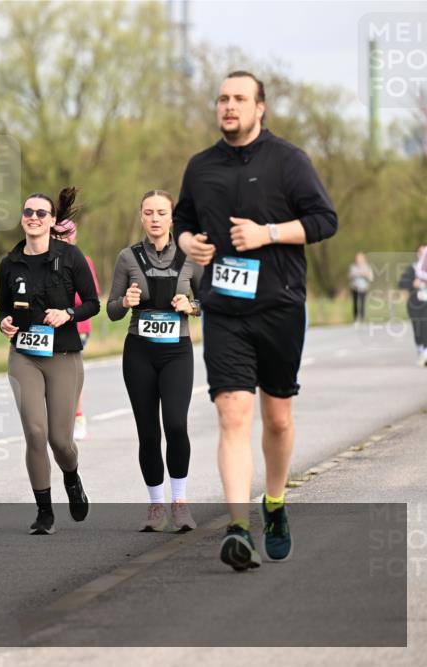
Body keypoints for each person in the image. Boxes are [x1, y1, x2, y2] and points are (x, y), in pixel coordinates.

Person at [174, 71, 338, 570]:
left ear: (260, 108)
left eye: (240, 99)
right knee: (232, 414)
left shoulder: (289, 161)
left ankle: (274, 503)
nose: (229, 106)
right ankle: (238, 528)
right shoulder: (200, 167)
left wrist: (268, 234)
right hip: (223, 308)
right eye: (223, 98)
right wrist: (188, 243)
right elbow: (183, 219)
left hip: (280, 306)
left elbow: (324, 220)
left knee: (278, 418)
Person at [0, 188, 100, 535]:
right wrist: (4, 322)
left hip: (63, 355)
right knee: (35, 433)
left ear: (53, 221)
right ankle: (44, 511)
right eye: (29, 211)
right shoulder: (9, 263)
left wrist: (68, 313)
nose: (34, 217)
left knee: (60, 441)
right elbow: (3, 309)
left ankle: (71, 477)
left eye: (42, 213)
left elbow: (92, 303)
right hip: (24, 355)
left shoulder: (71, 257)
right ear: (22, 217)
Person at [107, 190, 203, 532]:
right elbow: (112, 310)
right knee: (148, 433)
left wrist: (190, 307)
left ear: (172, 218)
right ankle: (156, 505)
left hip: (177, 351)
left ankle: (180, 502)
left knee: (176, 425)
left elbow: (208, 301)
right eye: (149, 212)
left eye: (162, 212)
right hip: (139, 352)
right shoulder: (127, 257)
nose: (155, 218)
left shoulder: (191, 256)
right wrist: (126, 300)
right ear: (142, 216)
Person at [52, 219, 101, 441]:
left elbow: (90, 297)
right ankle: (57, 418)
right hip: (50, 326)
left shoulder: (83, 260)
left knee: (71, 373)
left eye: (69, 234)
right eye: (60, 234)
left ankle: (78, 417)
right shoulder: (48, 260)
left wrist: (64, 304)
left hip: (77, 326)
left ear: (76, 236)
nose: (65, 238)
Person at [398, 245, 427, 366]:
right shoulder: (413, 269)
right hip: (415, 304)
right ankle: (421, 350)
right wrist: (412, 283)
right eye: (421, 253)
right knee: (419, 328)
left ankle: (425, 352)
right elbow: (401, 283)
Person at [348, 252, 373, 323]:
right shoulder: (353, 267)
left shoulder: (367, 267)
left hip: (363, 288)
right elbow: (350, 276)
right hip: (355, 287)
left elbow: (370, 277)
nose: (358, 260)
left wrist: (365, 276)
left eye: (360, 259)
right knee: (355, 303)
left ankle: (362, 318)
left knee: (362, 303)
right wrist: (357, 274)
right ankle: (355, 318)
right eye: (357, 259)